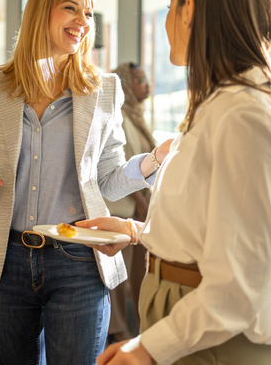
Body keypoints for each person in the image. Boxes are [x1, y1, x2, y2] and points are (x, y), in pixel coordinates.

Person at [83, 0, 271, 365]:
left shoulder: (242, 114)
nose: (167, 20)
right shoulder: (221, 102)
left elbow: (239, 283)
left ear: (188, 10)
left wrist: (148, 348)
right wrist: (137, 231)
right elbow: (212, 229)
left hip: (208, 334)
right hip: (192, 320)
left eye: (170, 7)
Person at [0, 0, 168, 365]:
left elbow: (107, 180)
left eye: (88, 13)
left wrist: (154, 160)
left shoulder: (103, 89)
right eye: (71, 8)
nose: (83, 22)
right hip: (7, 259)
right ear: (41, 11)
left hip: (78, 261)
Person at [104, 62, 154, 343]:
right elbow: (121, 163)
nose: (145, 85)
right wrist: (140, 199)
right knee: (117, 271)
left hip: (137, 205)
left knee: (135, 270)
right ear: (124, 83)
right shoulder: (119, 115)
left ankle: (133, 324)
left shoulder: (136, 114)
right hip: (120, 205)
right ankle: (116, 328)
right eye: (139, 80)